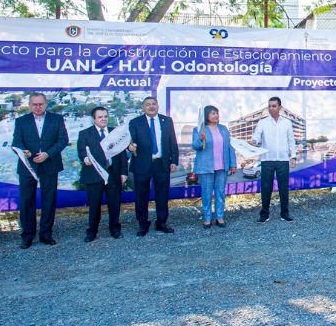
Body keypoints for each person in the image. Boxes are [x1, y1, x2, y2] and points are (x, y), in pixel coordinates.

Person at [11, 92, 69, 248]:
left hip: (49, 164)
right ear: (29, 105)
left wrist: (48, 154)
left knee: (49, 200)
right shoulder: (21, 121)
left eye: (40, 104)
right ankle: (27, 236)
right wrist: (24, 151)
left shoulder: (56, 119)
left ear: (46, 104)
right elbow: (16, 142)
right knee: (26, 201)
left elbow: (63, 140)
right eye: (34, 104)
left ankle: (46, 234)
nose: (37, 107)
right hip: (27, 166)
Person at [128, 96, 179, 236]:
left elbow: (172, 142)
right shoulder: (135, 122)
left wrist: (174, 161)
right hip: (142, 164)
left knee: (162, 194)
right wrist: (130, 147)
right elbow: (130, 142)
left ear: (157, 106)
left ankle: (161, 222)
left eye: (154, 104)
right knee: (141, 196)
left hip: (161, 163)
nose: (151, 106)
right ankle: (143, 224)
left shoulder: (167, 121)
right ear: (143, 108)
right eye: (148, 104)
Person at [77, 107, 128, 242]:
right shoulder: (85, 134)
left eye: (105, 116)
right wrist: (84, 159)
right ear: (93, 119)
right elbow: (81, 151)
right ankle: (92, 232)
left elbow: (122, 154)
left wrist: (124, 172)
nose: (103, 119)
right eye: (100, 117)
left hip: (113, 174)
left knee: (115, 204)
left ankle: (115, 230)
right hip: (94, 175)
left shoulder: (114, 132)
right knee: (94, 205)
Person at [252, 96, 297, 223]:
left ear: (280, 107)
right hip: (267, 160)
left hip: (283, 160)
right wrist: (254, 141)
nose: (271, 108)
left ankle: (285, 213)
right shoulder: (262, 122)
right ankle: (264, 214)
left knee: (284, 188)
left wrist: (293, 157)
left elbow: (291, 141)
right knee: (266, 188)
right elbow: (256, 137)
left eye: (274, 106)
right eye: (269, 106)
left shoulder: (287, 123)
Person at [191, 105, 237, 229]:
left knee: (220, 193)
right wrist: (201, 139)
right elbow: (195, 146)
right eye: (213, 113)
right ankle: (207, 218)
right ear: (206, 116)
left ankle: (220, 217)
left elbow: (229, 147)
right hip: (206, 167)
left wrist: (233, 163)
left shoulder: (223, 129)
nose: (216, 115)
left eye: (217, 113)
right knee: (206, 194)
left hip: (222, 167)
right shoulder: (199, 129)